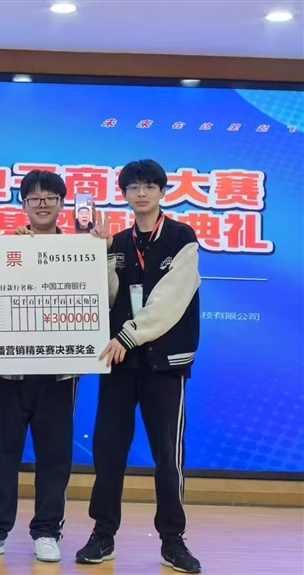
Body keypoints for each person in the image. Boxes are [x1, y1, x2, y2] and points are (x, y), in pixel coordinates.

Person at [76, 159, 202, 573]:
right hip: (120, 364)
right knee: (108, 451)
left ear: (163, 192)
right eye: (133, 187)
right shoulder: (118, 242)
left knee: (168, 454)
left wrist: (129, 336)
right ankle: (103, 534)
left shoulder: (182, 238)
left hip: (165, 365)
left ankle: (173, 541)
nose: (141, 193)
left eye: (149, 185)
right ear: (125, 194)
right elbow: (108, 297)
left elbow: (170, 300)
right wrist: (99, 255)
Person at [0, 170, 78, 563]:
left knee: (55, 455)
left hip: (60, 370)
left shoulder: (79, 250)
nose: (42, 204)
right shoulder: (9, 248)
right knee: (3, 451)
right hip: (11, 367)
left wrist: (100, 255)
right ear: (24, 205)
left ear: (62, 203)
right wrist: (13, 257)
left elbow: (106, 298)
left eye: (50, 198)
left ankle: (47, 531)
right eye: (35, 198)